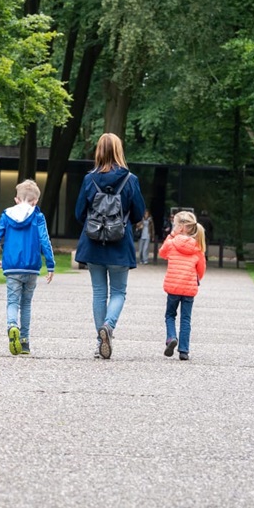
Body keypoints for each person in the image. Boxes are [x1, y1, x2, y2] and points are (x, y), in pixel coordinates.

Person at [74, 133, 146, 360]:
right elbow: (138, 214)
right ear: (118, 150)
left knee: (98, 292)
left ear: (99, 151)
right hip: (119, 244)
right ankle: (109, 326)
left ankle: (100, 343)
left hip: (93, 244)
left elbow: (79, 213)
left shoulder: (89, 179)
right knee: (118, 292)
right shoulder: (130, 179)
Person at [0, 179, 55, 356]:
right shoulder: (38, 217)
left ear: (16, 199)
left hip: (12, 267)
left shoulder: (7, 215)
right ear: (35, 201)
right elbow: (45, 241)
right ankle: (24, 342)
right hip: (31, 268)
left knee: (12, 301)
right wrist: (50, 265)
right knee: (26, 304)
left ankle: (12, 325)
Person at [159, 210, 206, 361]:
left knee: (170, 315)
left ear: (179, 227)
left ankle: (171, 337)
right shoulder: (197, 248)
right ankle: (184, 350)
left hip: (173, 287)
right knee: (186, 319)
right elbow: (201, 270)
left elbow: (162, 253)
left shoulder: (172, 243)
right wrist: (194, 279)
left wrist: (172, 235)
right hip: (189, 289)